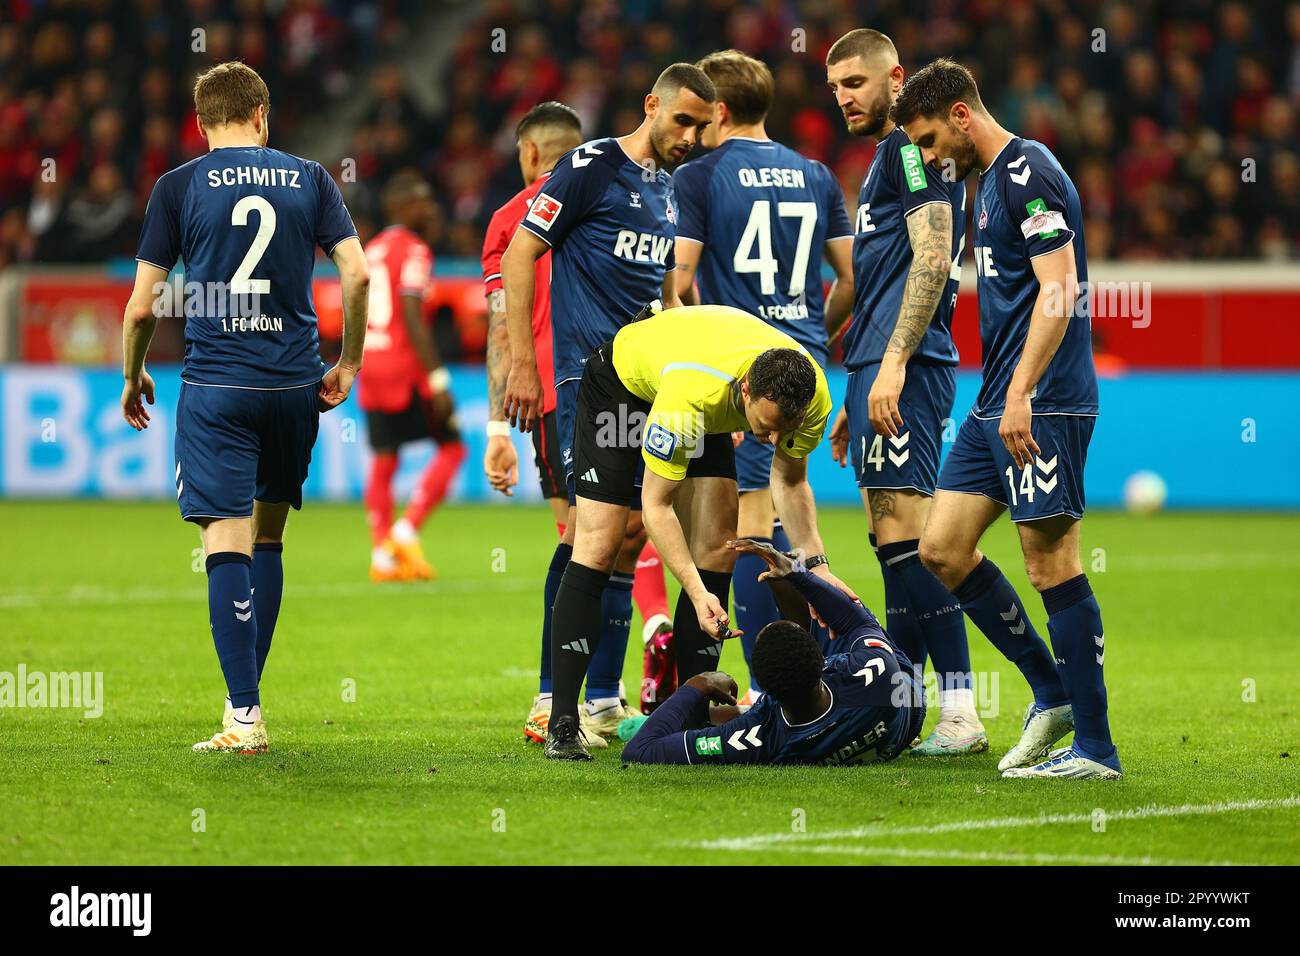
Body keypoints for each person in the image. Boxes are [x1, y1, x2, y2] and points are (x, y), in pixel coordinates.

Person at [120, 62, 368, 753]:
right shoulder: (312, 178)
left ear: (202, 124)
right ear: (262, 113)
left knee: (223, 545)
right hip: (293, 388)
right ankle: (243, 705)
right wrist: (348, 361)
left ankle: (246, 715)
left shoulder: (179, 186)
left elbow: (142, 307)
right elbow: (358, 271)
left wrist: (132, 374)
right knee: (269, 539)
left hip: (218, 389)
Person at [892, 58, 1121, 779]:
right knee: (942, 548)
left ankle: (1095, 749)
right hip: (996, 401)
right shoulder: (981, 186)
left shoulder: (1029, 173)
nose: (927, 158)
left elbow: (1061, 289)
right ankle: (1049, 691)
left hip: (1042, 400)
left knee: (1050, 560)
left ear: (962, 115)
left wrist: (1022, 389)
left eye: (929, 140)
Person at [500, 65, 721, 741]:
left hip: (662, 381)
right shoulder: (590, 167)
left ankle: (647, 703)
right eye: (680, 121)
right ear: (650, 104)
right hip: (592, 381)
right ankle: (557, 709)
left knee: (656, 536)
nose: (689, 137)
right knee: (591, 539)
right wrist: (522, 364)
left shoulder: (674, 191)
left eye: (700, 127)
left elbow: (668, 291)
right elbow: (519, 254)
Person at [542, 304, 855, 760]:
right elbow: (656, 505)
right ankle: (563, 723)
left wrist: (818, 569)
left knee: (718, 548)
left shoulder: (812, 399)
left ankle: (688, 722)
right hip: (624, 386)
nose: (771, 441)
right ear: (747, 390)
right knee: (601, 541)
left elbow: (788, 482)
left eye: (779, 432)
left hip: (707, 393)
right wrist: (694, 590)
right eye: (765, 428)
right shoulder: (693, 392)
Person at [481, 101, 674, 744]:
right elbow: (506, 319)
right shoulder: (547, 210)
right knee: (585, 537)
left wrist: (497, 422)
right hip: (560, 392)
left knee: (622, 537)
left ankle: (602, 697)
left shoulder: (540, 208)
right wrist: (506, 415)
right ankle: (551, 698)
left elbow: (495, 326)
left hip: (595, 383)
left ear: (531, 155)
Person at [672, 49, 854, 707]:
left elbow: (680, 282)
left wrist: (697, 347)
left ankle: (771, 691)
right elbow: (851, 279)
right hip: (804, 365)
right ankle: (814, 671)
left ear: (717, 109)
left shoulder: (699, 177)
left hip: (743, 375)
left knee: (738, 530)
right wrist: (811, 336)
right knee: (789, 516)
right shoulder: (816, 174)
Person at [824, 28, 983, 756]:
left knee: (914, 548)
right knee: (891, 543)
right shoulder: (888, 158)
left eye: (854, 83)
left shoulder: (914, 156)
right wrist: (862, 374)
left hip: (905, 367)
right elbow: (884, 271)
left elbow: (932, 254)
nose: (842, 98)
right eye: (834, 88)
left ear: (895, 79)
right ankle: (903, 704)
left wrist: (891, 363)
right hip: (876, 367)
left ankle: (961, 711)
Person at [622, 538, 923, 766]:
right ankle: (783, 574)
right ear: (823, 660)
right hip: (902, 703)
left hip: (819, 720)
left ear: (765, 690)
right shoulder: (876, 672)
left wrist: (695, 685)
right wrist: (798, 573)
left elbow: (639, 750)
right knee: (836, 611)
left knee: (709, 720)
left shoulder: (760, 736)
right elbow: (854, 617)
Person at [359, 169, 466, 582]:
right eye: (423, 199)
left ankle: (382, 557)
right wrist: (437, 379)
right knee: (453, 447)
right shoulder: (416, 249)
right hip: (405, 368)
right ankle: (405, 532)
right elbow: (410, 313)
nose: (432, 207)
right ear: (403, 207)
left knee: (385, 460)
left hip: (372, 364)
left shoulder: (371, 249)